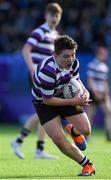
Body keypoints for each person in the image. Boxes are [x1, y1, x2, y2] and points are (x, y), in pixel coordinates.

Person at [32, 35, 95, 176]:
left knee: (86, 130)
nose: (71, 59)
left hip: (65, 95)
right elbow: (47, 100)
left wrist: (85, 92)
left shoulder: (74, 63)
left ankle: (74, 131)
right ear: (55, 55)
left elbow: (76, 80)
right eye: (66, 56)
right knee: (59, 139)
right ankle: (87, 165)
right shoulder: (48, 71)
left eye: (73, 55)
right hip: (43, 102)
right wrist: (74, 102)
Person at [11, 2, 63, 159]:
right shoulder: (40, 31)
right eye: (52, 15)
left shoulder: (56, 35)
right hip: (37, 75)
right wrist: (32, 68)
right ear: (45, 15)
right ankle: (19, 140)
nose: (54, 18)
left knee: (47, 112)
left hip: (47, 77)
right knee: (45, 111)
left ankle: (39, 149)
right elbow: (25, 49)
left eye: (57, 15)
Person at [86, 47, 111, 141]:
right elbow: (90, 80)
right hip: (94, 92)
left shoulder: (104, 66)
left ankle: (109, 134)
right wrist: (96, 93)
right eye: (104, 55)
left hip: (102, 92)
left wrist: (106, 94)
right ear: (99, 54)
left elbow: (104, 82)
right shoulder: (92, 64)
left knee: (109, 111)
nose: (105, 57)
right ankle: (86, 135)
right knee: (90, 114)